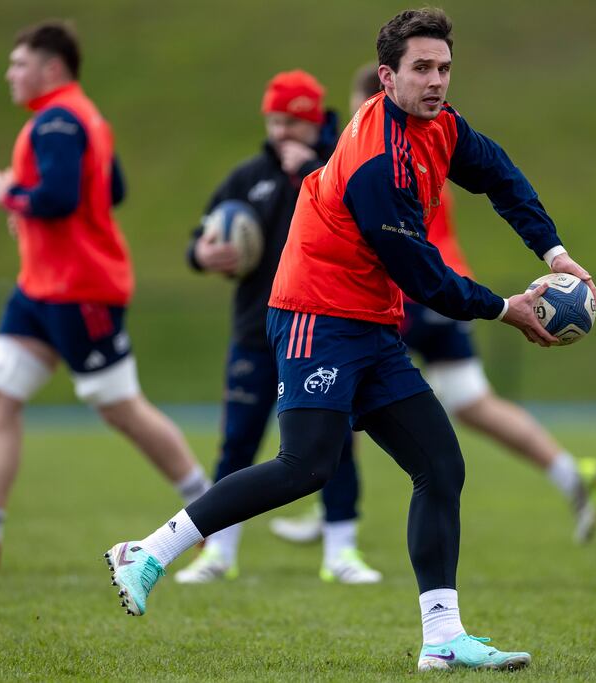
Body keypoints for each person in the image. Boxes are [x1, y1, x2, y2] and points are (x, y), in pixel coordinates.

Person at [104, 8, 596, 672]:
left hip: (369, 320)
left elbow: (499, 175)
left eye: (444, 68)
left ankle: (442, 638)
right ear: (387, 77)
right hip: (317, 313)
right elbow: (421, 273)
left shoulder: (441, 126)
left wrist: (554, 251)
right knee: (306, 464)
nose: (436, 81)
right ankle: (149, 551)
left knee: (440, 465)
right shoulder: (376, 161)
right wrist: (503, 308)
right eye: (421, 68)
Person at [0, 21, 211, 570]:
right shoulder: (83, 115)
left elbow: (58, 197)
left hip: (80, 290)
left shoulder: (56, 121)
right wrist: (32, 208)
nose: (9, 73)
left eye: (19, 63)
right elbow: (111, 188)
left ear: (52, 68)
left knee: (120, 408)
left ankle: (210, 510)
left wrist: (10, 194)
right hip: (39, 289)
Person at [270, 64, 596, 547]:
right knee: (472, 402)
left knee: (341, 391)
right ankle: (567, 471)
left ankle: (334, 513)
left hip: (415, 290)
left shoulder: (382, 155)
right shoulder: (423, 145)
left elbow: (378, 225)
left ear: (378, 95)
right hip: (450, 283)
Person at [176, 70, 381, 585]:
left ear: (315, 122)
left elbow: (365, 220)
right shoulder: (247, 177)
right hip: (257, 331)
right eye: (273, 121)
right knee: (237, 443)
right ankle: (218, 554)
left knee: (333, 444)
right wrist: (202, 254)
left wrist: (311, 168)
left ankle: (342, 552)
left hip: (324, 332)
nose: (280, 132)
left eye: (291, 122)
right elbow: (199, 238)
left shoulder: (340, 165)